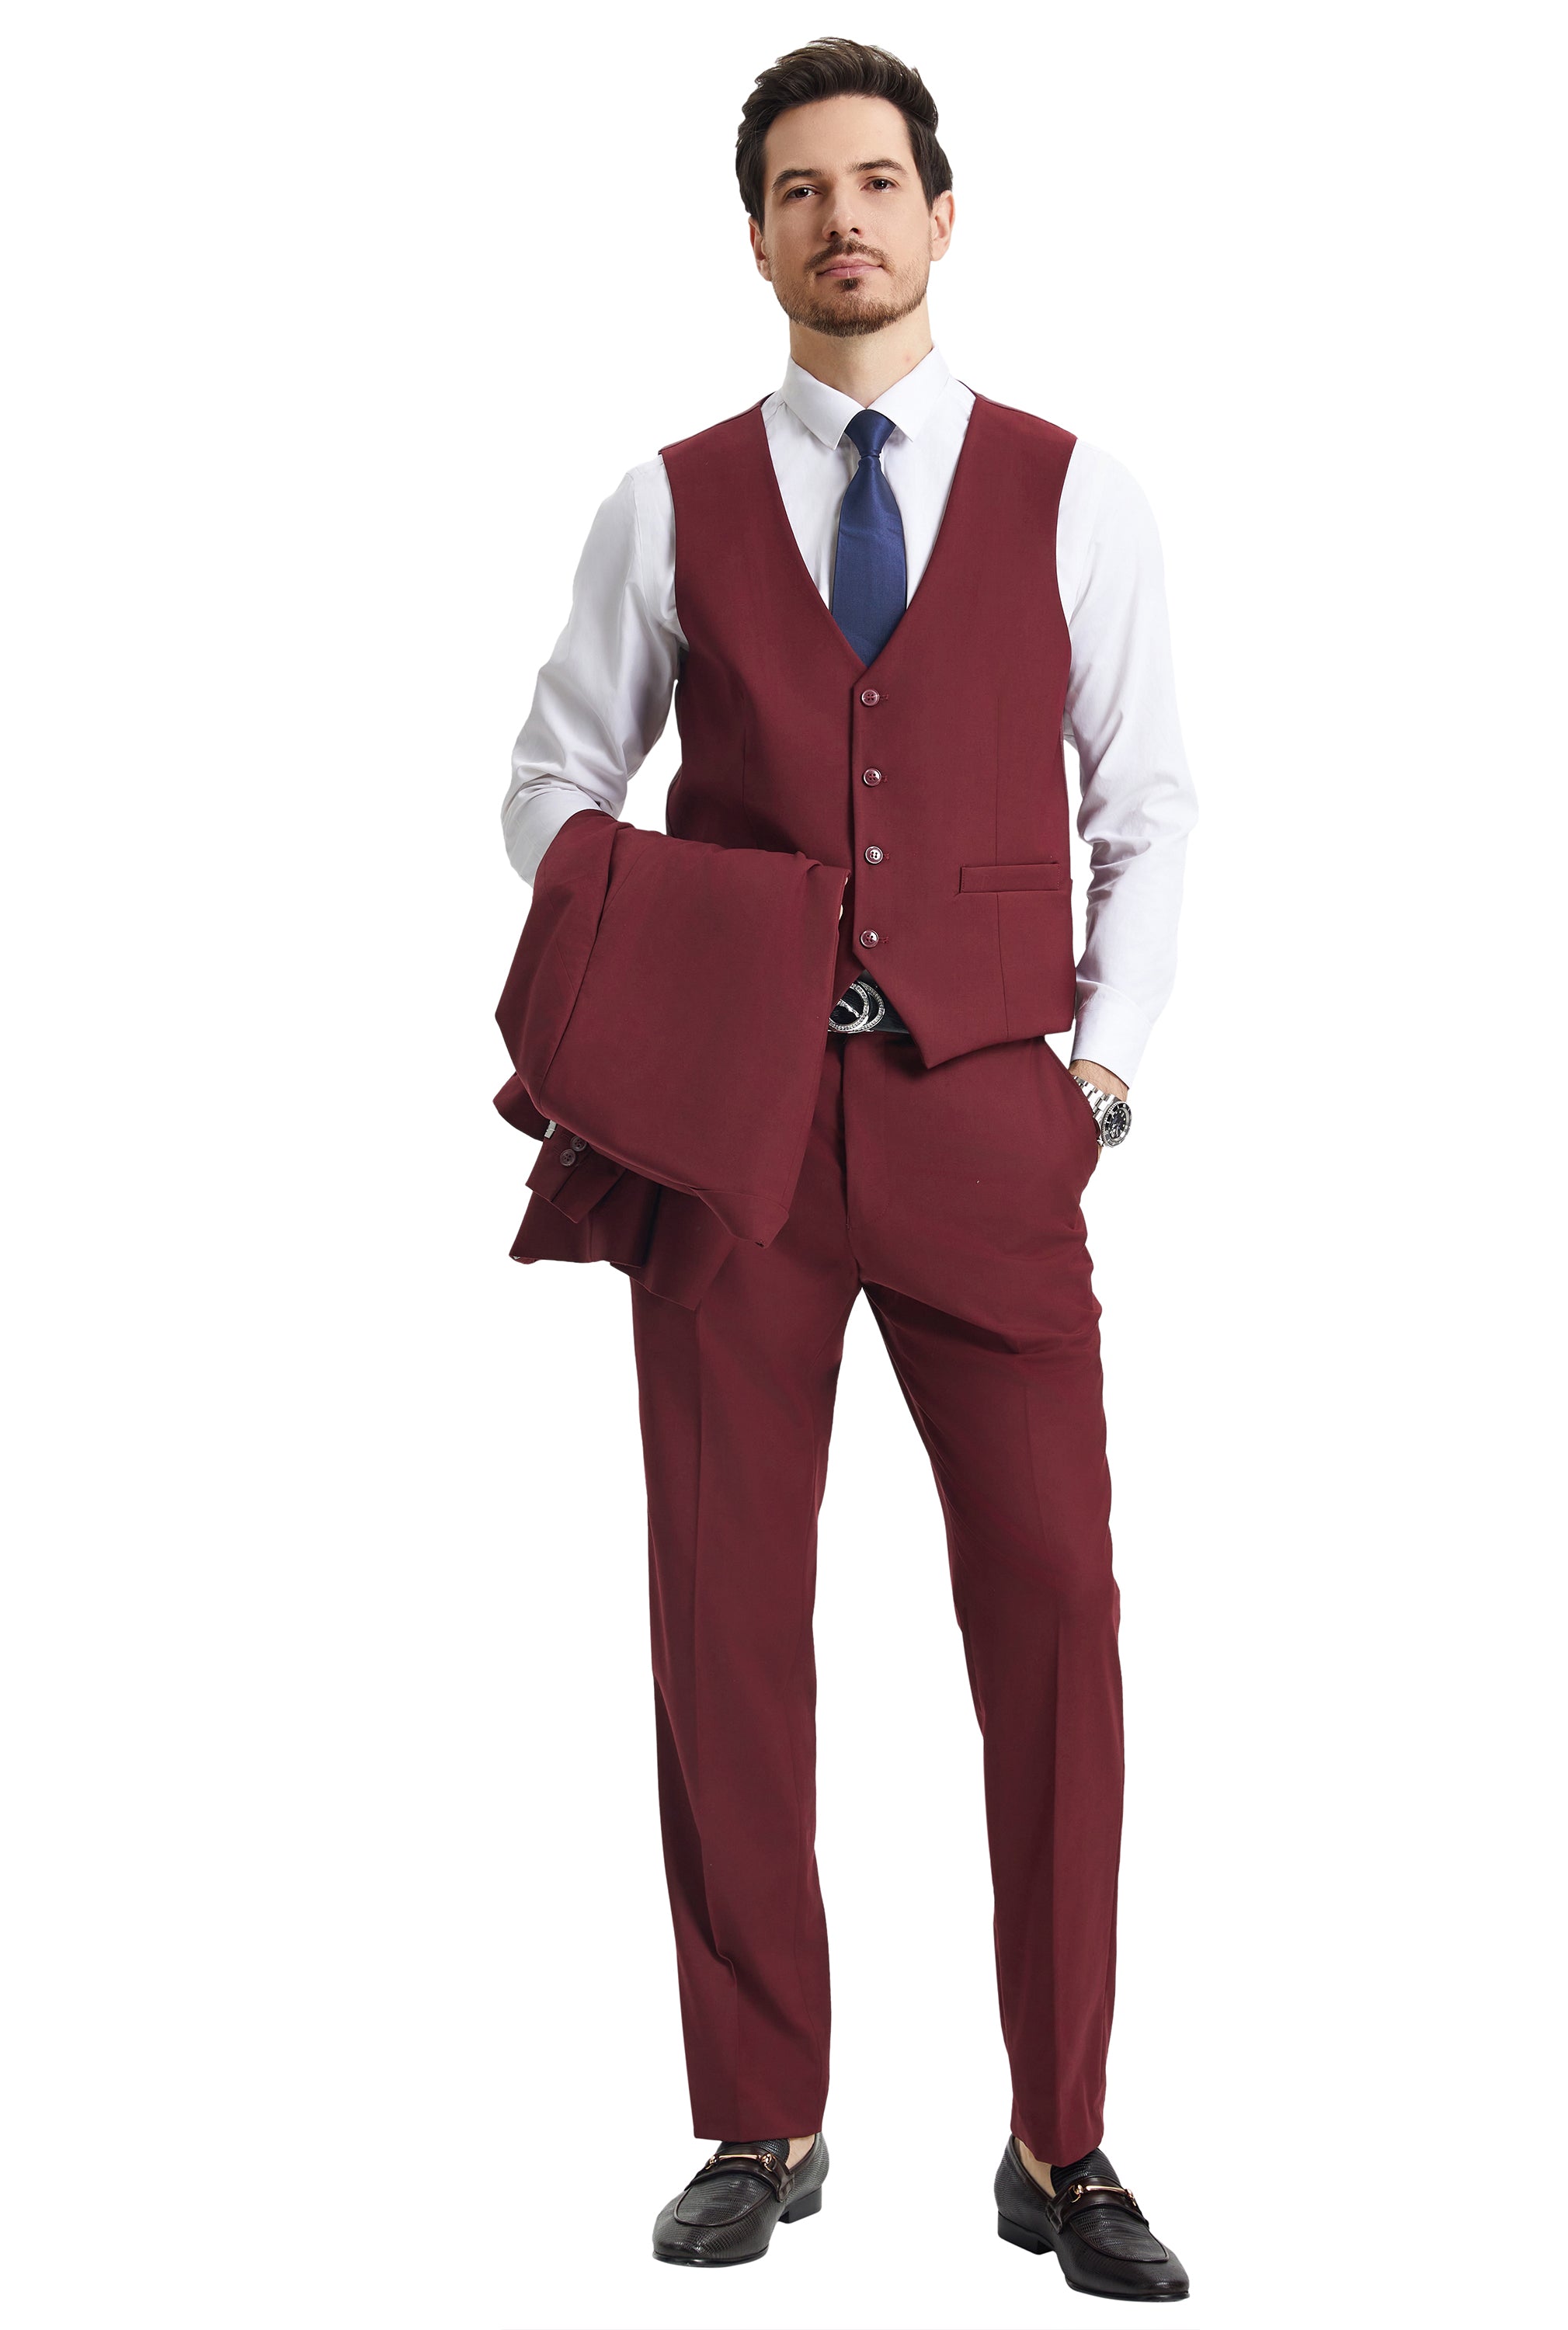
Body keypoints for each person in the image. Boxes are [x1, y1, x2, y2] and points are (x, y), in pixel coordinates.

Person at [500, 36, 1199, 2304]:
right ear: (757, 237)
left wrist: (1096, 1085)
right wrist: (694, 952)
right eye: (800, 190)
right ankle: (761, 2112)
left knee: (1059, 1622)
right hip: (737, 1148)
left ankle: (1062, 2139)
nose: (845, 220)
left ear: (943, 212)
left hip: (994, 1128)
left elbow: (1149, 808)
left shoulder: (1077, 495)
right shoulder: (666, 504)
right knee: (724, 1621)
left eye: (877, 180)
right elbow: (550, 790)